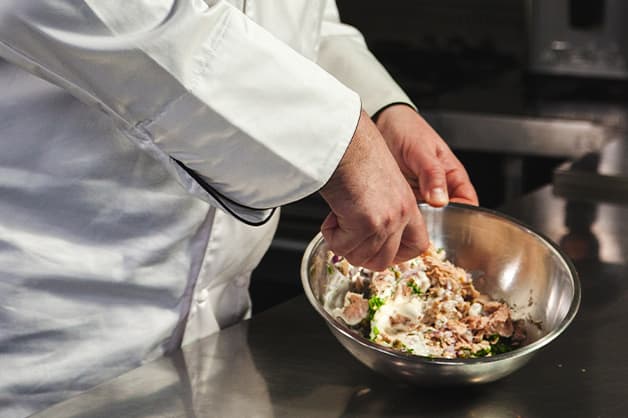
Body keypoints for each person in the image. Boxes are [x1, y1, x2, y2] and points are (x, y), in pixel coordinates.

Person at [0, 1, 477, 416]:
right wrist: (339, 140)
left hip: (220, 339)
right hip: (53, 329)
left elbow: (288, 20)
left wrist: (377, 108)